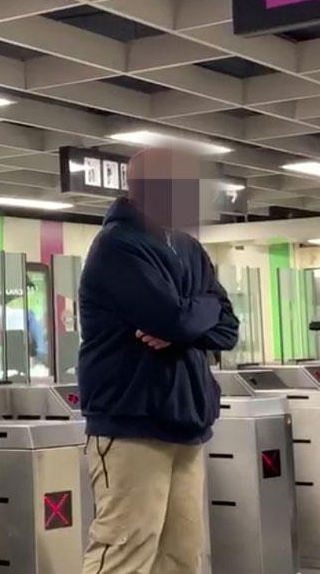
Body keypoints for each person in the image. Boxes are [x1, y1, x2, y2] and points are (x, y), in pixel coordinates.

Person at [76, 148, 240, 574]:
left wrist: (188, 319)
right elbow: (177, 319)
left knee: (182, 557)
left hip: (185, 424)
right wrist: (189, 316)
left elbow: (227, 327)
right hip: (131, 424)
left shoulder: (186, 246)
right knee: (124, 553)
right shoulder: (117, 246)